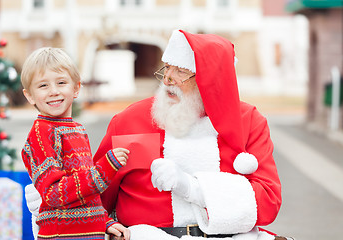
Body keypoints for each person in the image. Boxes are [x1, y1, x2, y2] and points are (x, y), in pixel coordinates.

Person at [26, 31, 291, 240]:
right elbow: (98, 194)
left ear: (211, 81)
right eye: (166, 69)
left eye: (181, 72)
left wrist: (193, 188)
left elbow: (267, 203)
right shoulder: (129, 120)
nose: (167, 80)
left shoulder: (249, 122)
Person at [20, 47, 130, 240]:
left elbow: (85, 194)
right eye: (43, 86)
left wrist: (105, 221)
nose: (53, 91)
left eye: (61, 82)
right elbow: (54, 195)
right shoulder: (41, 133)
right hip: (61, 235)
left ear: (76, 88)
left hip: (89, 233)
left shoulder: (78, 130)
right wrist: (103, 169)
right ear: (29, 95)